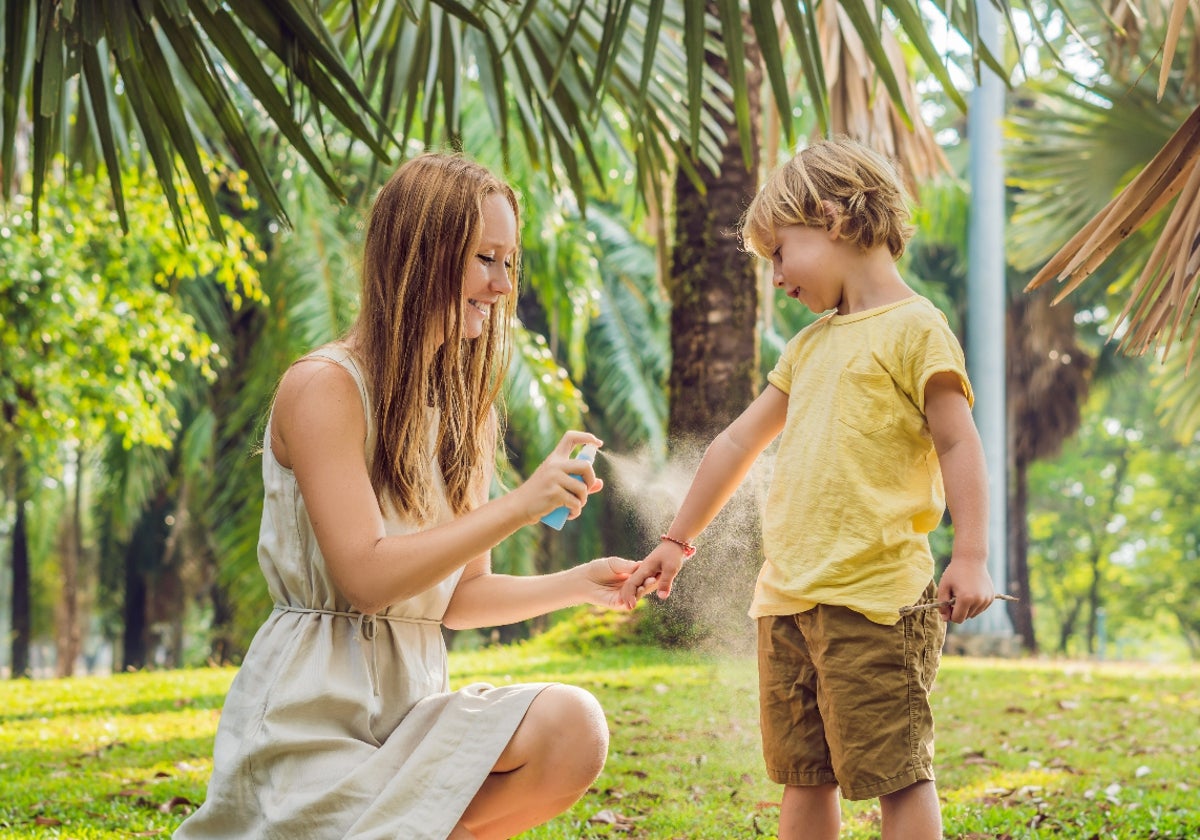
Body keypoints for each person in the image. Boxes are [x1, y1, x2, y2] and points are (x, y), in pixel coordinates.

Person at [175, 153, 650, 840]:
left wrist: (581, 585)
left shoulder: (467, 413)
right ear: (420, 254)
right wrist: (517, 507)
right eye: (486, 258)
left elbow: (457, 600)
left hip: (410, 716)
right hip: (310, 720)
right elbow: (365, 579)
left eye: (510, 262)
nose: (501, 284)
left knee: (573, 726)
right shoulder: (324, 389)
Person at [618, 136, 997, 840]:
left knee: (898, 774)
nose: (777, 278)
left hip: (876, 601)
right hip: (788, 599)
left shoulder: (917, 329)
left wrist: (970, 554)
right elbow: (736, 442)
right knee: (802, 775)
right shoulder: (809, 346)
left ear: (834, 218)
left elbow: (957, 442)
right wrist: (677, 538)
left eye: (779, 253)